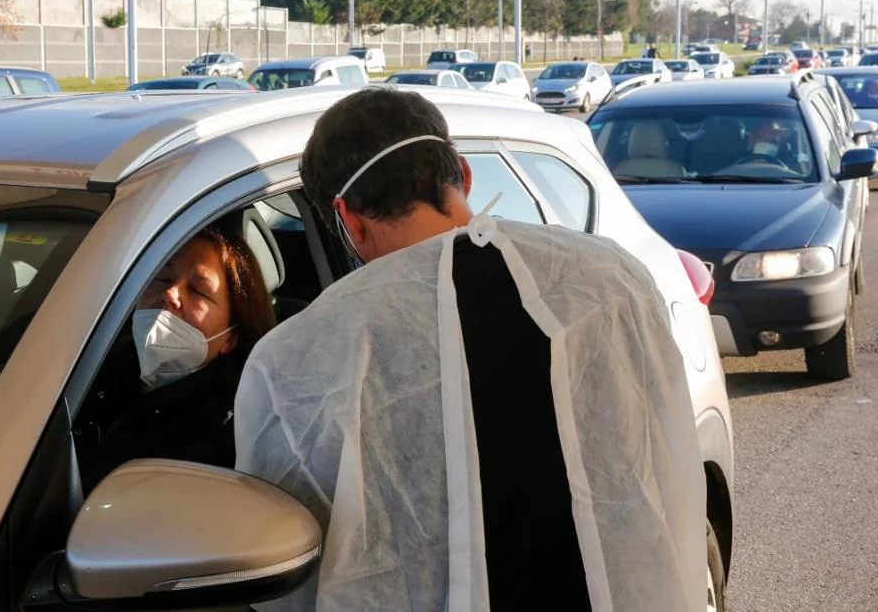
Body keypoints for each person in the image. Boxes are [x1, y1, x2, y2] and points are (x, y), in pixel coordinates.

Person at [235, 87, 705, 611]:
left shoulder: (302, 354)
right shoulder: (612, 278)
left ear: (347, 218)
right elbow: (669, 475)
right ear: (461, 172)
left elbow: (282, 575)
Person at [82, 225, 275, 484]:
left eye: (197, 291)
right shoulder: (87, 364)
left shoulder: (233, 433)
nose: (169, 293)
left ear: (232, 337)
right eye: (161, 278)